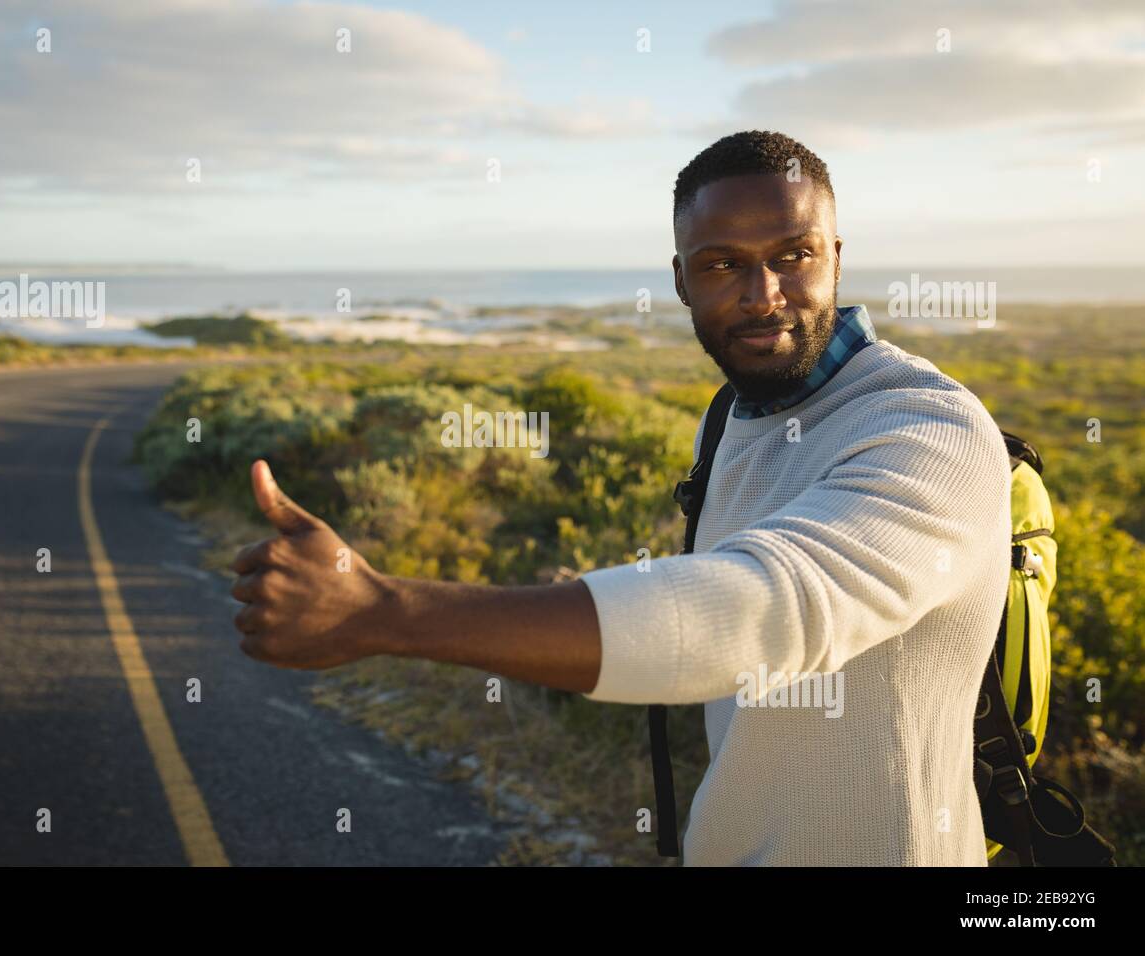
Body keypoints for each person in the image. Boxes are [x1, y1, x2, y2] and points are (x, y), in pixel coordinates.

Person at [229, 130, 1012, 866]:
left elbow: (762, 611)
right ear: (679, 280)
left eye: (793, 255)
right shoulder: (736, 414)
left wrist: (381, 611)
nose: (762, 294)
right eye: (720, 265)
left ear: (836, 259)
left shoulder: (928, 428)